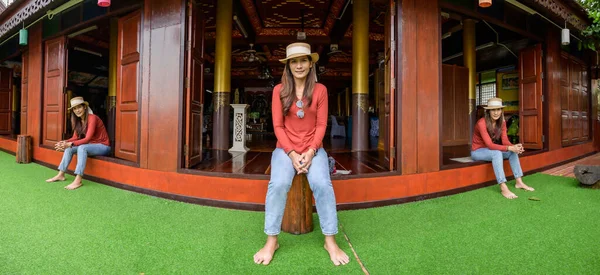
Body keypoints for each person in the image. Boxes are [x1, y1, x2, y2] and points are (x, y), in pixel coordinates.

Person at [253, 43, 350, 266]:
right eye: (294, 61)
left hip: (313, 149)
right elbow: (277, 126)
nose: (299, 65)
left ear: (310, 63)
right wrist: (292, 154)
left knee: (322, 183)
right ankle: (271, 240)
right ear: (287, 66)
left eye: (303, 60)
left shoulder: (320, 90)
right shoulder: (279, 90)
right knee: (278, 184)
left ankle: (330, 240)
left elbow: (322, 124)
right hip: (285, 150)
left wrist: (310, 151)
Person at [471, 97, 535, 199]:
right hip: (478, 151)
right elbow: (490, 145)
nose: (496, 113)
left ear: (501, 110)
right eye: (493, 110)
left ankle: (519, 182)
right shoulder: (481, 123)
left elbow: (505, 141)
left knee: (511, 152)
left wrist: (514, 147)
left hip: (491, 150)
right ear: (488, 111)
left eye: (498, 109)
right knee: (497, 153)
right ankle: (503, 187)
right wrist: (509, 148)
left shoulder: (502, 122)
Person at [45, 97, 111, 190]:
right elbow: (75, 137)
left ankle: (78, 180)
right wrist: (64, 142)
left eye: (79, 107)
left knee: (81, 148)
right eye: (74, 109)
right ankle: (61, 174)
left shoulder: (93, 118)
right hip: (91, 146)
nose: (77, 110)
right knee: (69, 148)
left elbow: (87, 138)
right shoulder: (78, 121)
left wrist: (71, 144)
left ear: (84, 107)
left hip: (103, 146)